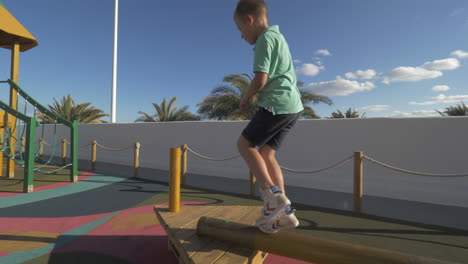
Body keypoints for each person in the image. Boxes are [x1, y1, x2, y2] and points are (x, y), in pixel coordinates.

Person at [234, 0, 304, 233]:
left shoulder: (264, 40)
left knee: (245, 144)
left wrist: (245, 99)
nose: (242, 37)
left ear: (250, 20)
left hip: (276, 104)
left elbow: (261, 79)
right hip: (293, 107)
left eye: (241, 30)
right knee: (267, 153)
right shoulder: (279, 37)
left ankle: (271, 198)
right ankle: (284, 213)